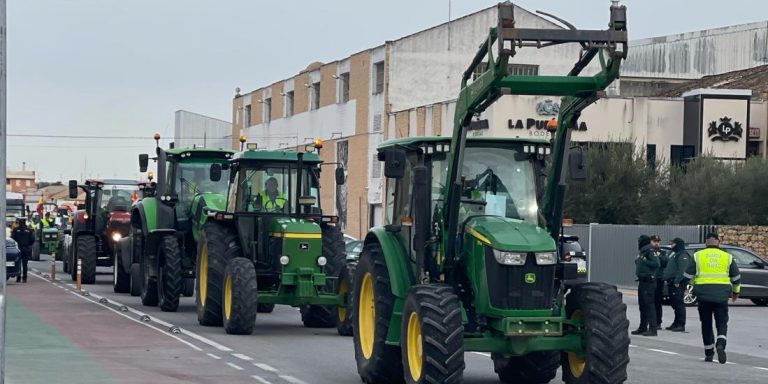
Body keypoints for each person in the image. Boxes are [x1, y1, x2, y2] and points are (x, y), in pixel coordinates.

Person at [683, 233, 740, 364]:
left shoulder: (698, 256)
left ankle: (709, 353)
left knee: (706, 324)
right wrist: (736, 292)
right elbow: (736, 277)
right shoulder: (728, 257)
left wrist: (687, 284)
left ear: (705, 243)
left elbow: (687, 275)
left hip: (703, 296)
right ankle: (720, 343)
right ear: (718, 243)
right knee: (722, 322)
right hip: (721, 296)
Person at [632, 235, 660, 336]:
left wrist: (644, 261)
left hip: (648, 281)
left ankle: (653, 329)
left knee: (649, 306)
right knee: (642, 306)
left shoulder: (650, 251)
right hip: (642, 281)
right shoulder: (643, 252)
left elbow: (656, 264)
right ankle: (642, 327)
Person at [663, 238, 691, 332]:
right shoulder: (676, 254)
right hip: (672, 282)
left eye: (673, 244)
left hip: (678, 283)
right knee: (674, 303)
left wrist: (677, 281)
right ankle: (676, 323)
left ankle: (681, 324)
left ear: (678, 244)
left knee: (679, 303)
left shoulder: (683, 255)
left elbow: (682, 270)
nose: (671, 246)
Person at [651, 235, 669, 328]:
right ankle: (650, 322)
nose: (656, 243)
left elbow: (665, 262)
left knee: (657, 302)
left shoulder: (662, 252)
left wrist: (659, 256)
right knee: (649, 302)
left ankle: (658, 322)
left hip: (658, 279)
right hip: (649, 279)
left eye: (658, 241)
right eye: (654, 241)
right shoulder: (647, 252)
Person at [11, 218, 35, 283]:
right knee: (25, 264)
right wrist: (28, 245)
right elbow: (32, 239)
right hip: (26, 248)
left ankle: (18, 278)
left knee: (18, 263)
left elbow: (12, 238)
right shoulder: (29, 230)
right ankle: (24, 278)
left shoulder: (16, 230)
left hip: (18, 249)